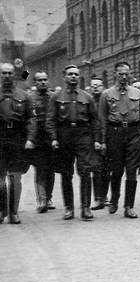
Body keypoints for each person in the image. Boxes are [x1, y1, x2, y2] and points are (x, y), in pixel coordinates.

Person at [44, 65, 102, 220]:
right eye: (70, 74)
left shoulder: (87, 97)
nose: (73, 77)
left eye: (76, 74)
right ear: (64, 77)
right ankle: (69, 208)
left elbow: (95, 120)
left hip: (83, 136)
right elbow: (50, 119)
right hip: (65, 135)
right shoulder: (56, 97)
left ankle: (86, 208)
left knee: (85, 171)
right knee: (66, 173)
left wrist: (96, 140)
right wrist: (54, 138)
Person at [97, 61, 140, 219]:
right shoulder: (106, 94)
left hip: (133, 133)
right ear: (115, 74)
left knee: (132, 171)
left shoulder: (137, 93)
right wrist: (103, 141)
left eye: (127, 74)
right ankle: (114, 199)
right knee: (117, 170)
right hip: (115, 133)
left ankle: (129, 206)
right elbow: (102, 120)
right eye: (121, 74)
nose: (124, 77)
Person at [0, 62, 32, 223]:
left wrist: (30, 139)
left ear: (14, 75)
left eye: (9, 73)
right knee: (0, 179)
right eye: (3, 73)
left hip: (17, 138)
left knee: (15, 178)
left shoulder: (23, 96)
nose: (6, 76)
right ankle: (1, 211)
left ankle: (13, 212)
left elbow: (30, 119)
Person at [25, 71, 55, 213]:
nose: (43, 82)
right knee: (41, 169)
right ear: (35, 83)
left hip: (51, 139)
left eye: (45, 79)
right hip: (38, 140)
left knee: (51, 170)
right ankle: (42, 199)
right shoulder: (30, 98)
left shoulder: (53, 97)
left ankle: (48, 198)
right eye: (40, 80)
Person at [89, 76, 109, 211]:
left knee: (107, 169)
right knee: (96, 169)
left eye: (98, 85)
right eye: (93, 85)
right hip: (92, 139)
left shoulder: (108, 99)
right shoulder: (88, 101)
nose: (96, 87)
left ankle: (105, 196)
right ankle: (98, 198)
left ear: (103, 86)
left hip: (108, 138)